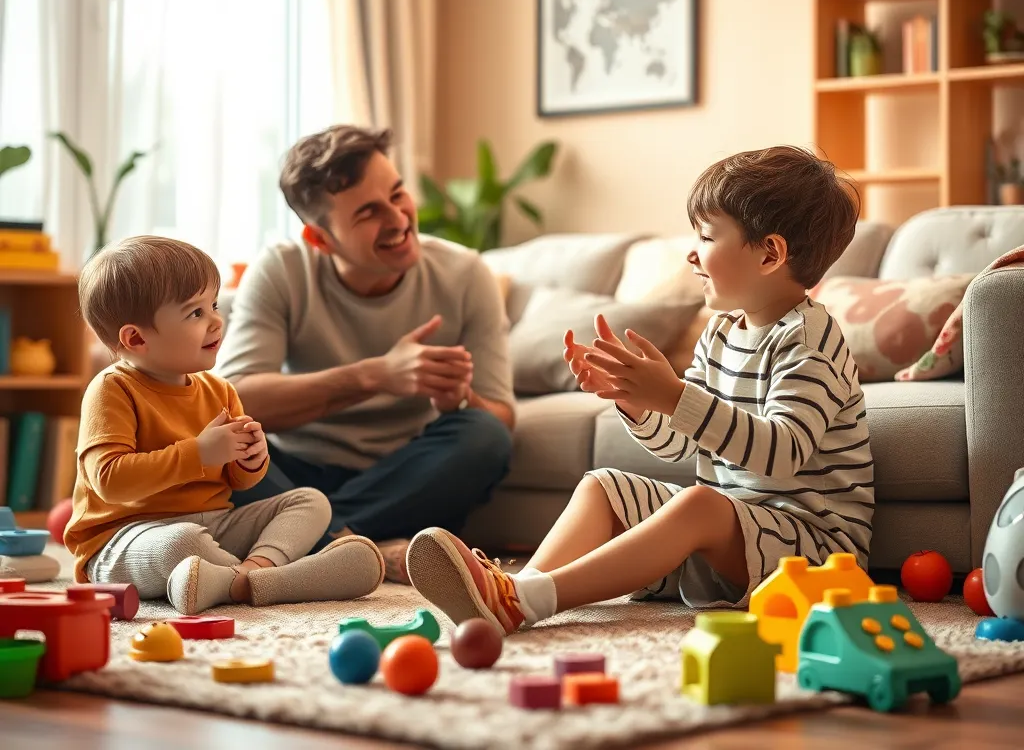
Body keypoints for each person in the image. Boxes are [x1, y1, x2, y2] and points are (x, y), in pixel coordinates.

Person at [403, 146, 873, 634]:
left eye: (707, 236)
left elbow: (782, 453)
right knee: (603, 485)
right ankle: (511, 592)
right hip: (739, 539)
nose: (691, 252)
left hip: (814, 555)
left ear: (769, 253)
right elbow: (681, 444)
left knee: (699, 503)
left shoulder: (810, 337)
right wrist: (636, 401)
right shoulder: (722, 332)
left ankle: (534, 599)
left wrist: (673, 396)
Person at [218, 125, 515, 583]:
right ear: (321, 239)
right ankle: (356, 547)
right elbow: (236, 401)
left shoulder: (465, 274)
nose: (398, 220)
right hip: (294, 475)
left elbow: (500, 416)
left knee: (484, 436)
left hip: (403, 479)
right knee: (221, 446)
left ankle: (314, 543)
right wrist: (375, 376)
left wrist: (459, 399)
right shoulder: (281, 270)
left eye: (398, 195)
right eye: (369, 213)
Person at [64, 236, 385, 616]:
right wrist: (198, 453)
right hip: (126, 539)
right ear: (136, 338)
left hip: (213, 525)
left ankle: (247, 576)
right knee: (180, 544)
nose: (217, 320)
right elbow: (110, 480)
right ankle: (278, 582)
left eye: (213, 305)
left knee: (310, 501)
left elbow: (238, 483)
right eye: (195, 313)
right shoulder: (112, 389)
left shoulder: (220, 390)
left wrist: (250, 461)